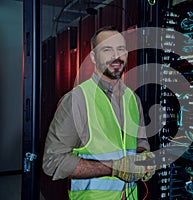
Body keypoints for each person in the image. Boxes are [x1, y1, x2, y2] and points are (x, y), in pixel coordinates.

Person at [43, 26, 156, 200]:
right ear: (94, 57)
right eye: (107, 49)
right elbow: (53, 162)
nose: (115, 56)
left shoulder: (133, 99)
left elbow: (140, 141)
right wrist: (113, 168)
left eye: (121, 49)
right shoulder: (78, 100)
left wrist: (143, 157)